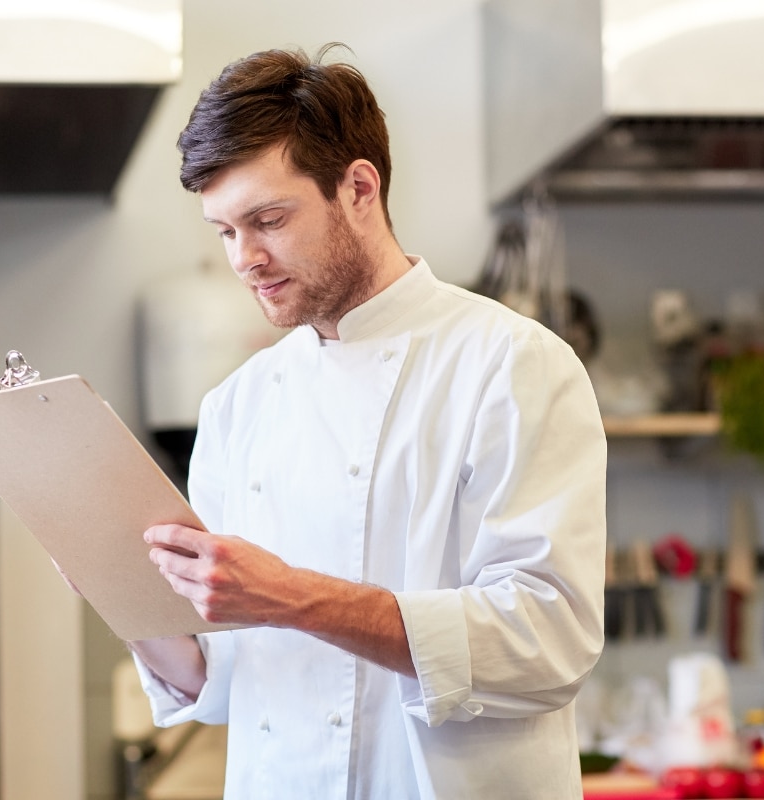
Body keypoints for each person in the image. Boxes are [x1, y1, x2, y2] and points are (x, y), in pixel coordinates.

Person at [126, 44, 605, 798]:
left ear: (358, 188)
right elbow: (216, 685)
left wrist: (287, 594)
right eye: (224, 231)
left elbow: (549, 638)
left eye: (269, 219)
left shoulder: (511, 365)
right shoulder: (237, 405)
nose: (245, 258)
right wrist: (117, 586)